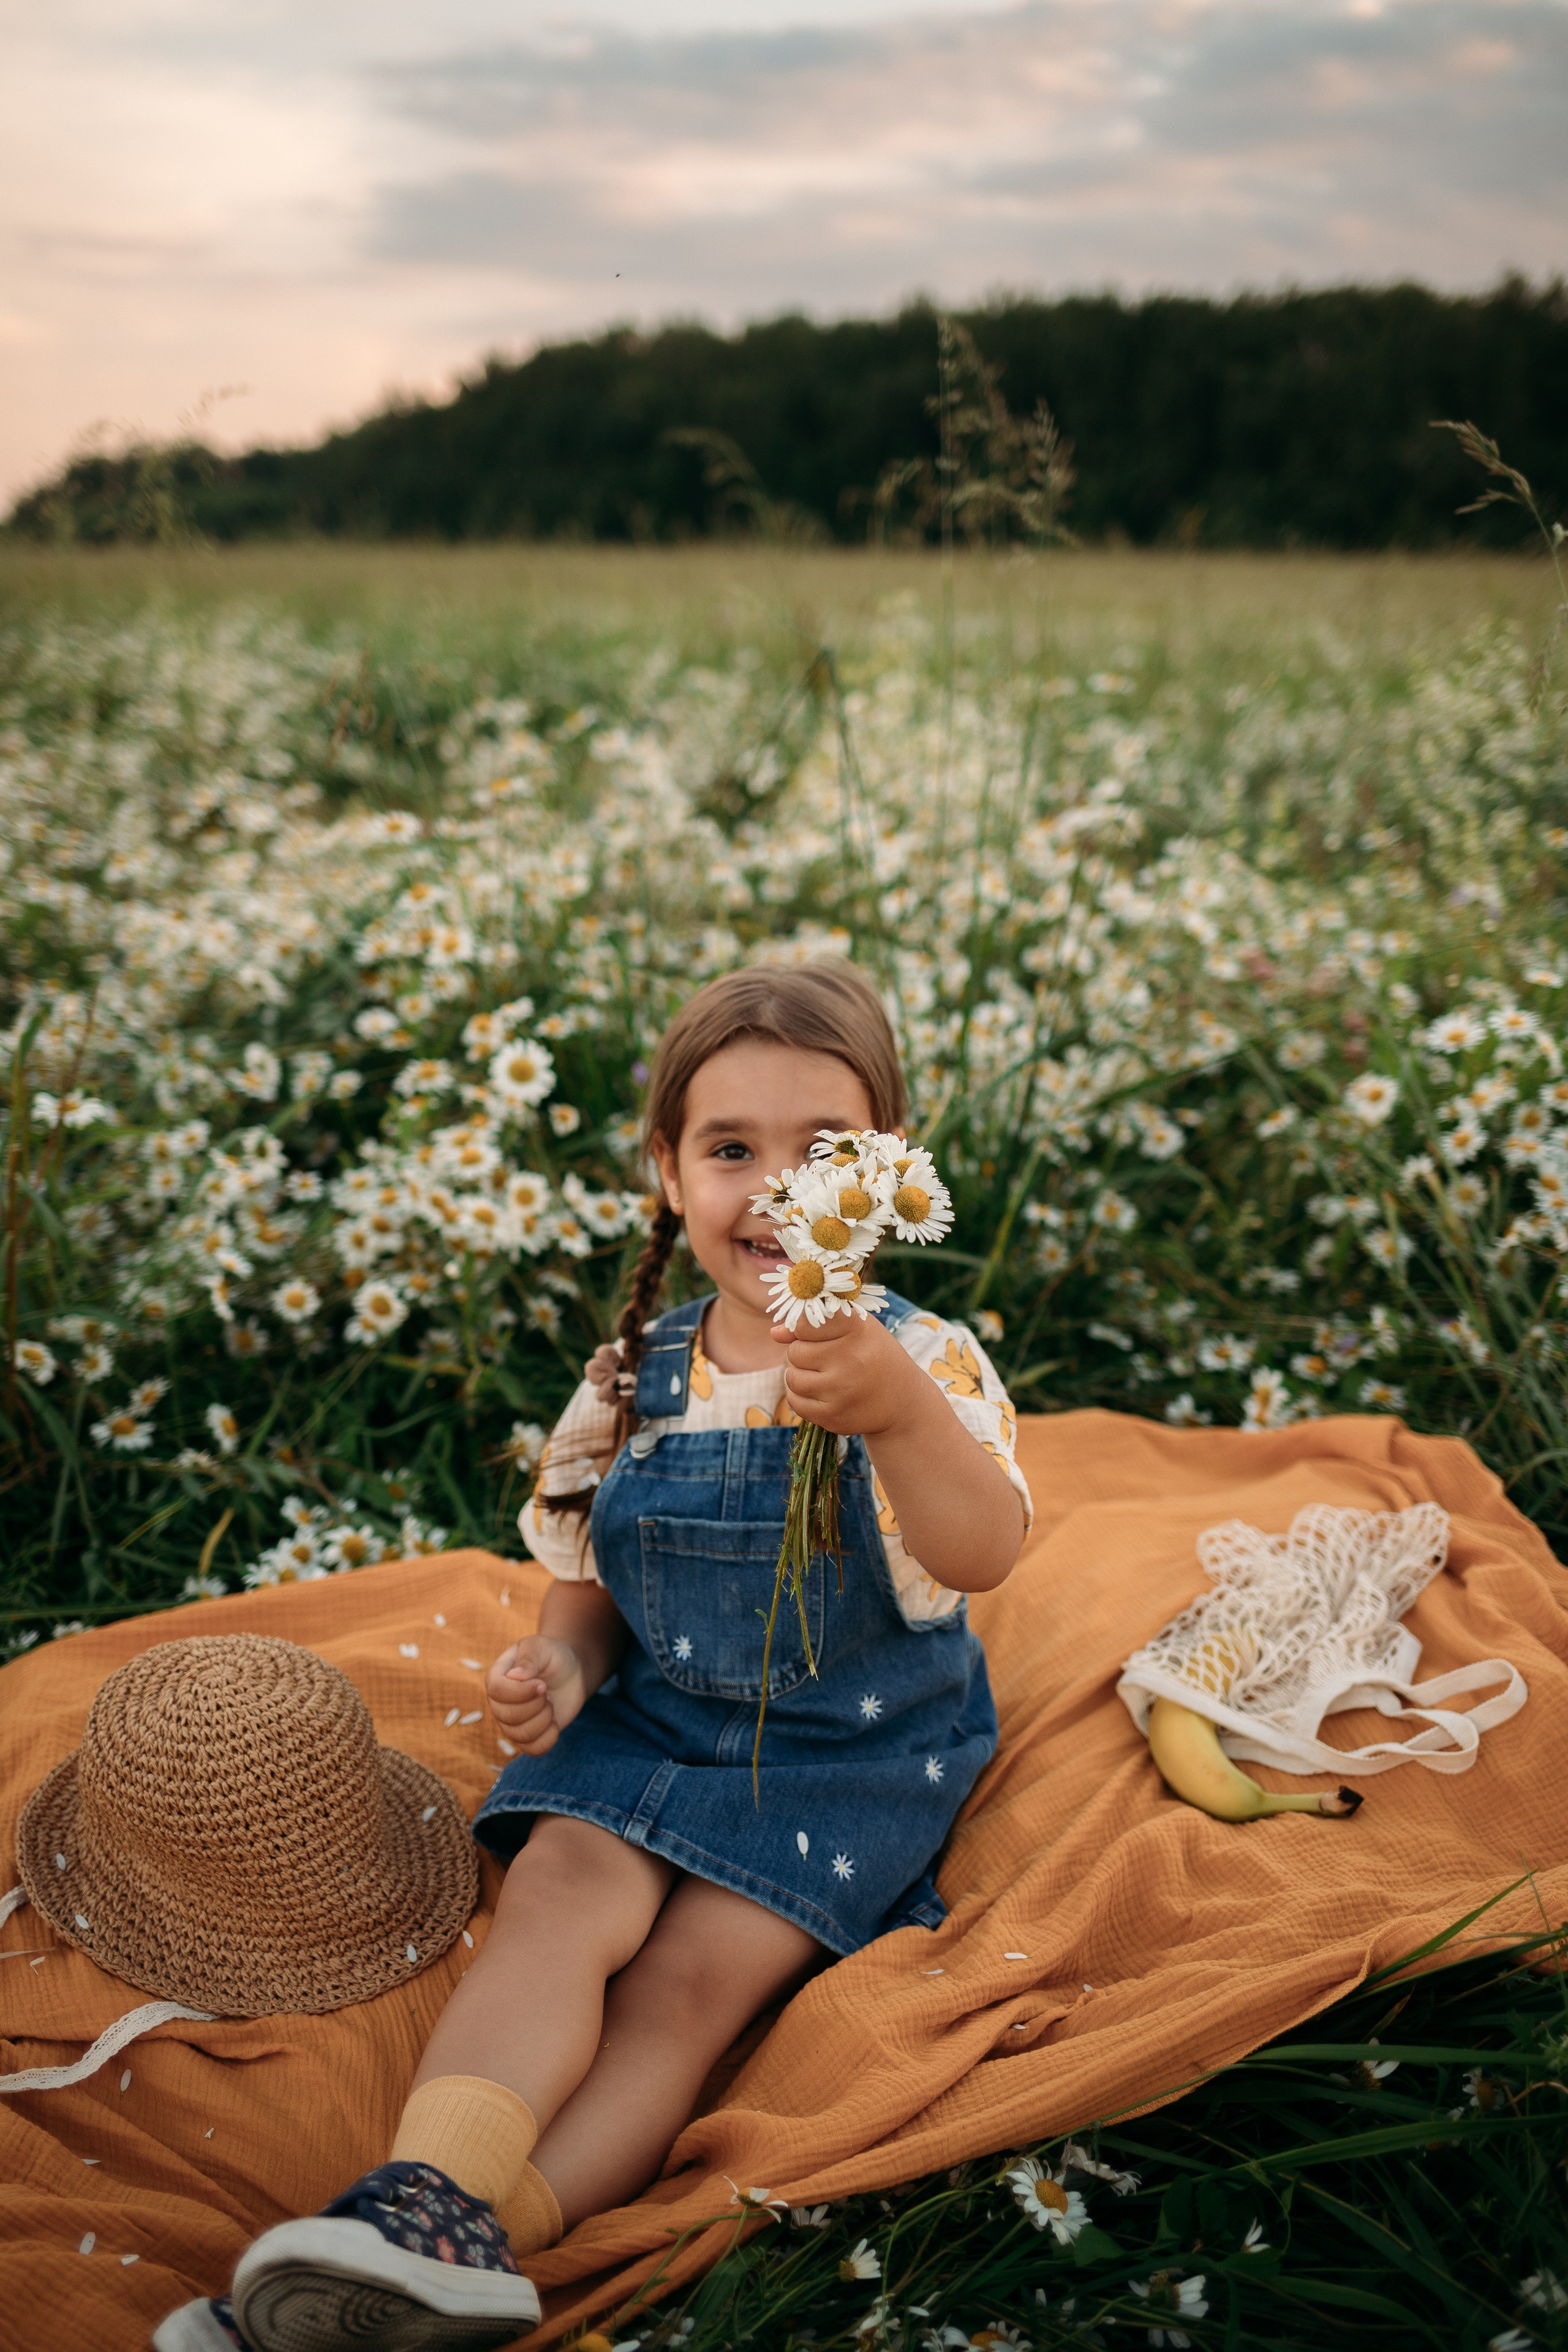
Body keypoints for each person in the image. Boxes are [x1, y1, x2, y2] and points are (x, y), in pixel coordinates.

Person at [165, 960, 1029, 2352]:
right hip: (659, 1713)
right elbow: (586, 1572)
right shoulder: (634, 1374)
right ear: (666, 1171)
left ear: (882, 1172)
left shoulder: (921, 1365)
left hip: (841, 1756)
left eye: (821, 1156)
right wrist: (560, 1665)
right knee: (561, 1890)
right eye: (728, 1150)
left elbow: (983, 1548)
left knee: (686, 1985)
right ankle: (420, 2201)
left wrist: (898, 1417)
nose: (771, 1192)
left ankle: (495, 2244)